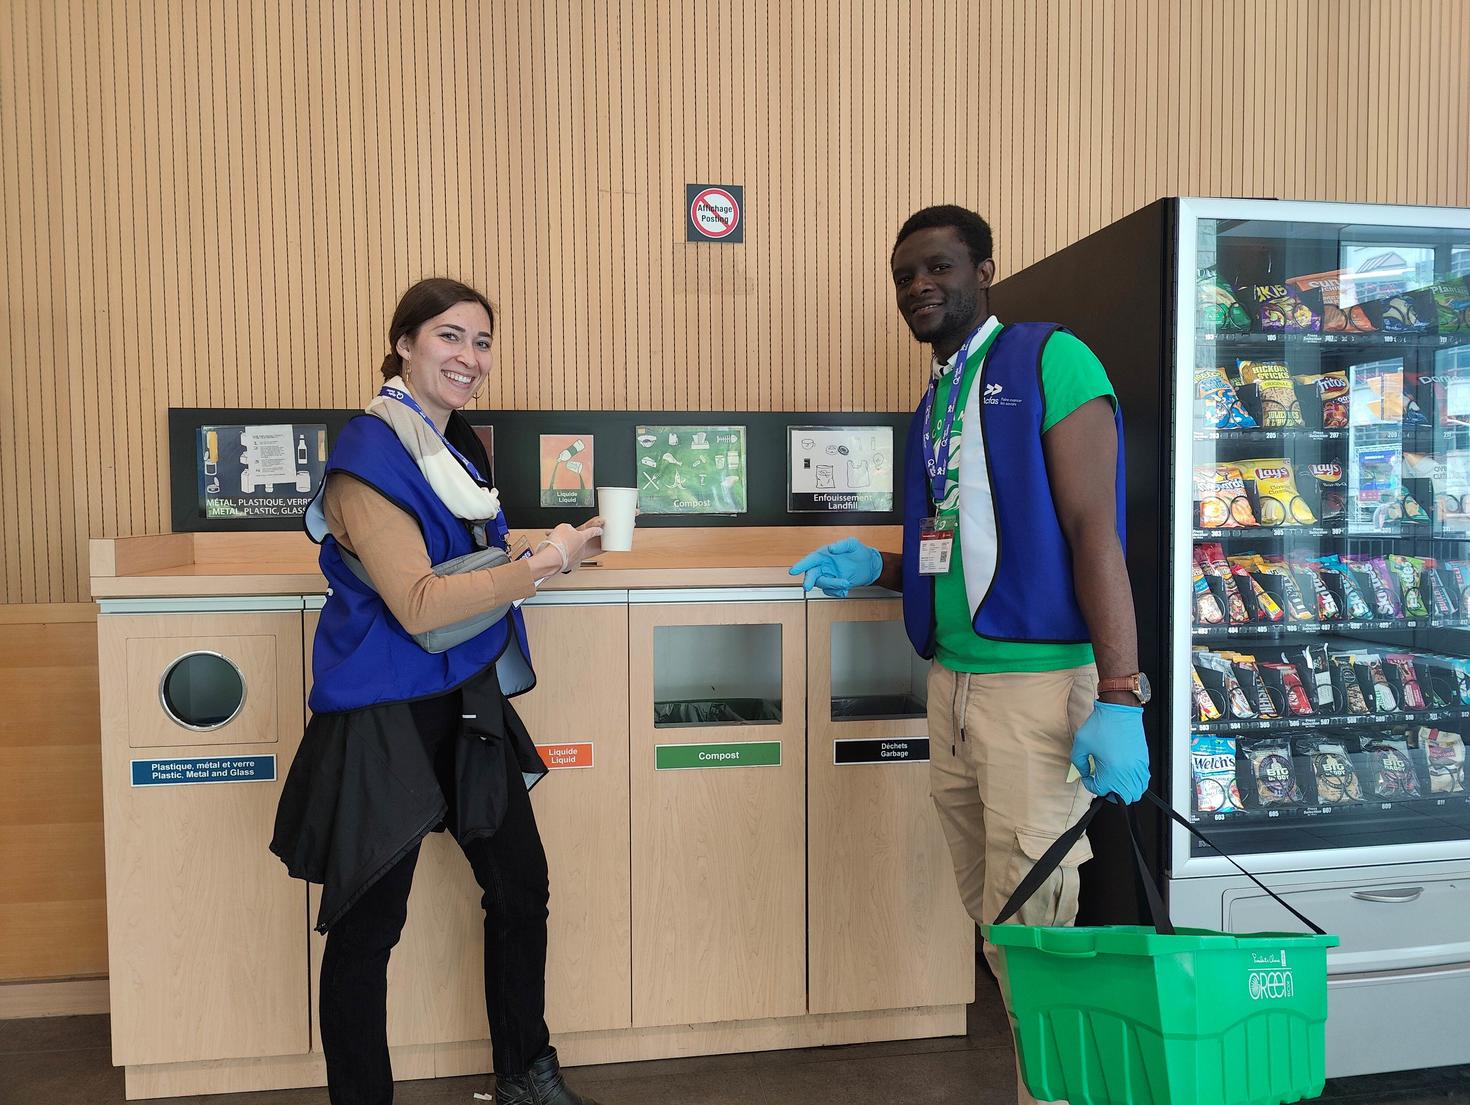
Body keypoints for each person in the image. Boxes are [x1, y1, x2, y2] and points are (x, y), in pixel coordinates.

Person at [790, 206, 1149, 1105]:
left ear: (986, 269)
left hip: (1033, 691)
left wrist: (1118, 691)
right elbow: (965, 546)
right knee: (996, 921)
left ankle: (1052, 1096)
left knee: (1037, 927)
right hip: (950, 686)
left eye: (939, 267)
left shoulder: (1046, 360)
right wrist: (876, 567)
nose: (920, 286)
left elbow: (1092, 533)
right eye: (904, 274)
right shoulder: (939, 397)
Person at [270, 278, 604, 1105]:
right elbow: (419, 604)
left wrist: (544, 553)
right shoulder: (367, 457)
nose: (469, 357)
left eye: (483, 342)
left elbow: (470, 564)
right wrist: (547, 563)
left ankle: (525, 1074)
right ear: (407, 343)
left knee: (521, 885)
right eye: (450, 337)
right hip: (384, 714)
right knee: (368, 929)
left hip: (464, 698)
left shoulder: (459, 451)